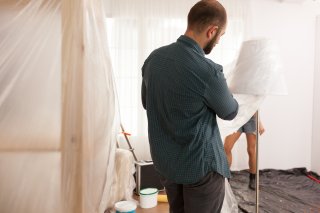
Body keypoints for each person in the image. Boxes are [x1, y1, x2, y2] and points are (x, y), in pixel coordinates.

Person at [141, 1, 239, 212]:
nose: (219, 40)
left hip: (167, 163)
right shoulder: (208, 71)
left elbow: (146, 103)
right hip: (200, 167)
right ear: (212, 31)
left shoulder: (153, 59)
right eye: (221, 35)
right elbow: (230, 111)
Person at [224, 113, 265, 190]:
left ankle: (253, 179)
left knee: (251, 150)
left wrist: (259, 122)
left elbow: (255, 105)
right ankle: (226, 178)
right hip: (237, 118)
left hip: (251, 118)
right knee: (227, 148)